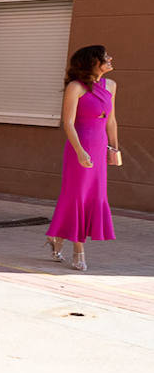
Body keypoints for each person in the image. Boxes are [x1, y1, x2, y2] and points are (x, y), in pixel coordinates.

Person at [46, 45, 118, 271]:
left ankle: (57, 238)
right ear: (93, 62)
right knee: (77, 197)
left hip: (98, 147)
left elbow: (111, 121)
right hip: (80, 147)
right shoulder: (75, 87)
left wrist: (114, 148)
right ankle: (78, 250)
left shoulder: (111, 86)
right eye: (105, 56)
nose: (110, 58)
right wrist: (79, 151)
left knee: (93, 197)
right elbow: (67, 122)